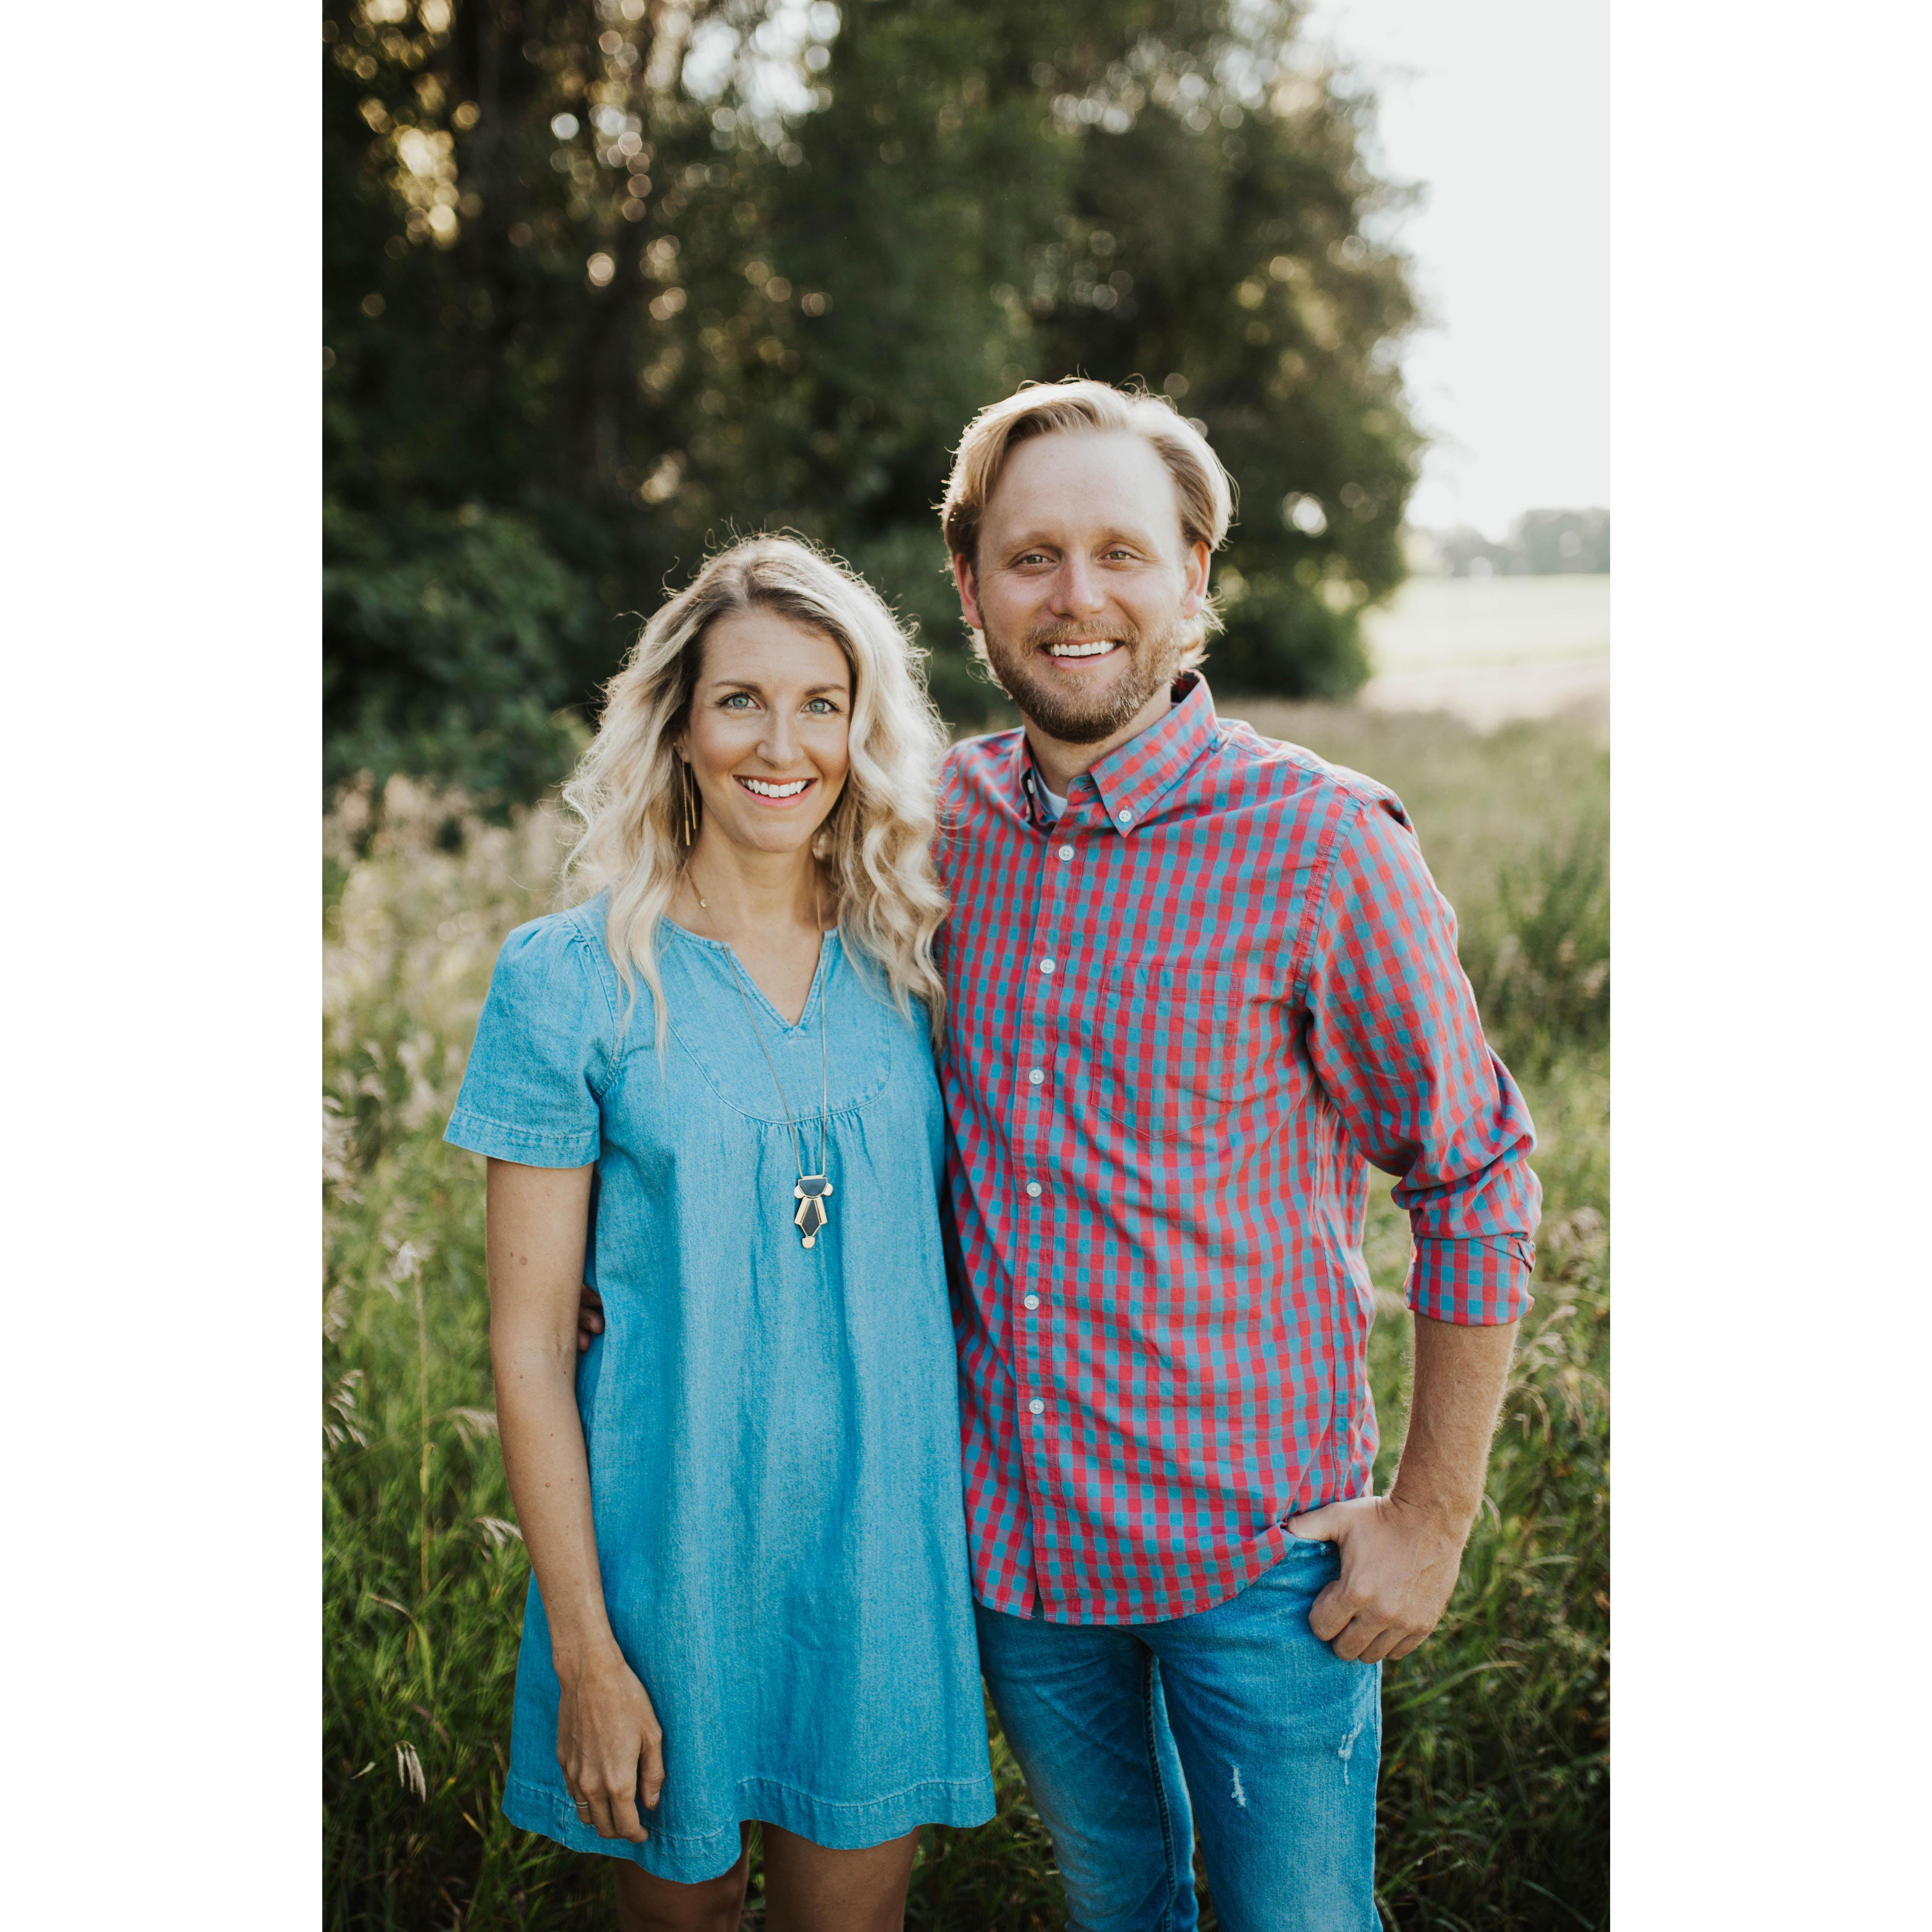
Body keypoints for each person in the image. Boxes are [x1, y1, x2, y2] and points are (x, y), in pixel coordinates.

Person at [928, 379, 1541, 1932]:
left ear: (1195, 574)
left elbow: (1469, 1171)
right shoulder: (928, 830)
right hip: (1014, 1551)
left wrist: (1429, 1515)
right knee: (1115, 1902)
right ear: (970, 588)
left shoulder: (1325, 842)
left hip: (1261, 1561)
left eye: (1122, 554)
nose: (1077, 597)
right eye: (1032, 556)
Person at [445, 535, 994, 1932]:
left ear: (862, 732)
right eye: (742, 699)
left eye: (823, 703)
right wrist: (586, 1649)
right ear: (679, 724)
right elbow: (526, 1342)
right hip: (662, 1553)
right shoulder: (568, 979)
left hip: (878, 1550)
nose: (784, 742)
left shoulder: (923, 955)